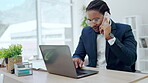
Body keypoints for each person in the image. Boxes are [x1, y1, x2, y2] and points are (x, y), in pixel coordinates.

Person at [72, 0, 137, 72]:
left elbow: (130, 60)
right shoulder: (86, 32)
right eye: (89, 20)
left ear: (107, 16)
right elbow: (78, 54)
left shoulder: (124, 30)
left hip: (117, 76)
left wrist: (110, 37)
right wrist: (76, 58)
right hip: (93, 75)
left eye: (96, 20)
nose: (92, 24)